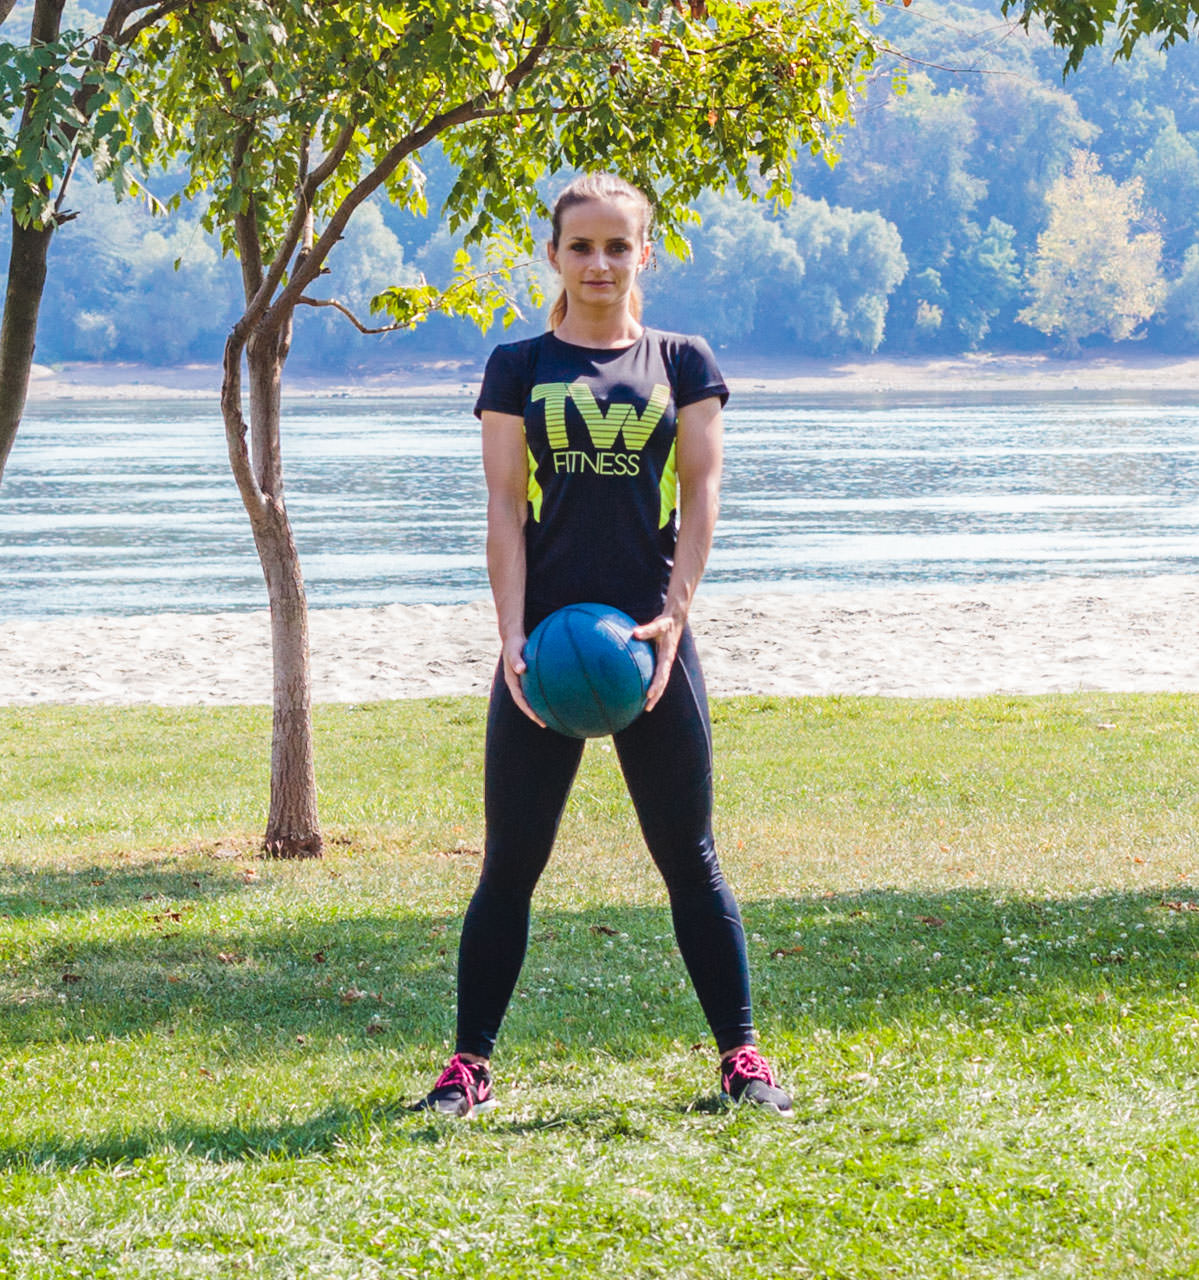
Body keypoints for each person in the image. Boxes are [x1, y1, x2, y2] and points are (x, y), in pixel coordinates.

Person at [414, 172, 792, 1119]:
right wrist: (510, 633)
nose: (598, 263)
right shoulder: (517, 365)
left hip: (650, 641)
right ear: (553, 255)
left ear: (643, 254)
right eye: (580, 246)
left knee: (690, 856)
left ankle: (743, 1062)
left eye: (617, 245)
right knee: (510, 865)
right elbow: (504, 508)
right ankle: (468, 1069)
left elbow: (701, 494)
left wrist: (674, 617)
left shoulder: (682, 360)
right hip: (546, 644)